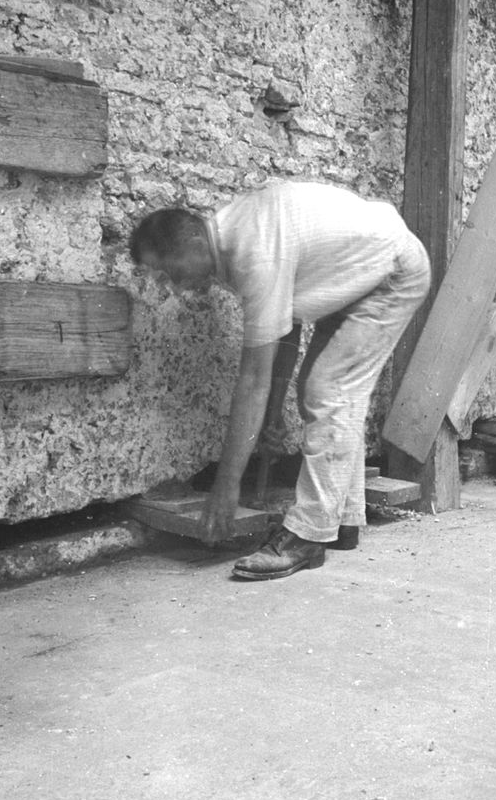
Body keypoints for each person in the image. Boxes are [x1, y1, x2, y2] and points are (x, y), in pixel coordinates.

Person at [131, 181, 430, 581]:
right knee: (321, 388)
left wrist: (227, 487)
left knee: (330, 389)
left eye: (168, 271)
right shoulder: (232, 239)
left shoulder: (251, 250)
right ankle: (342, 519)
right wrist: (273, 414)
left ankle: (308, 537)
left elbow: (253, 378)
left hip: (393, 274)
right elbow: (283, 327)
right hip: (361, 276)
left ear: (191, 242)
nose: (172, 286)